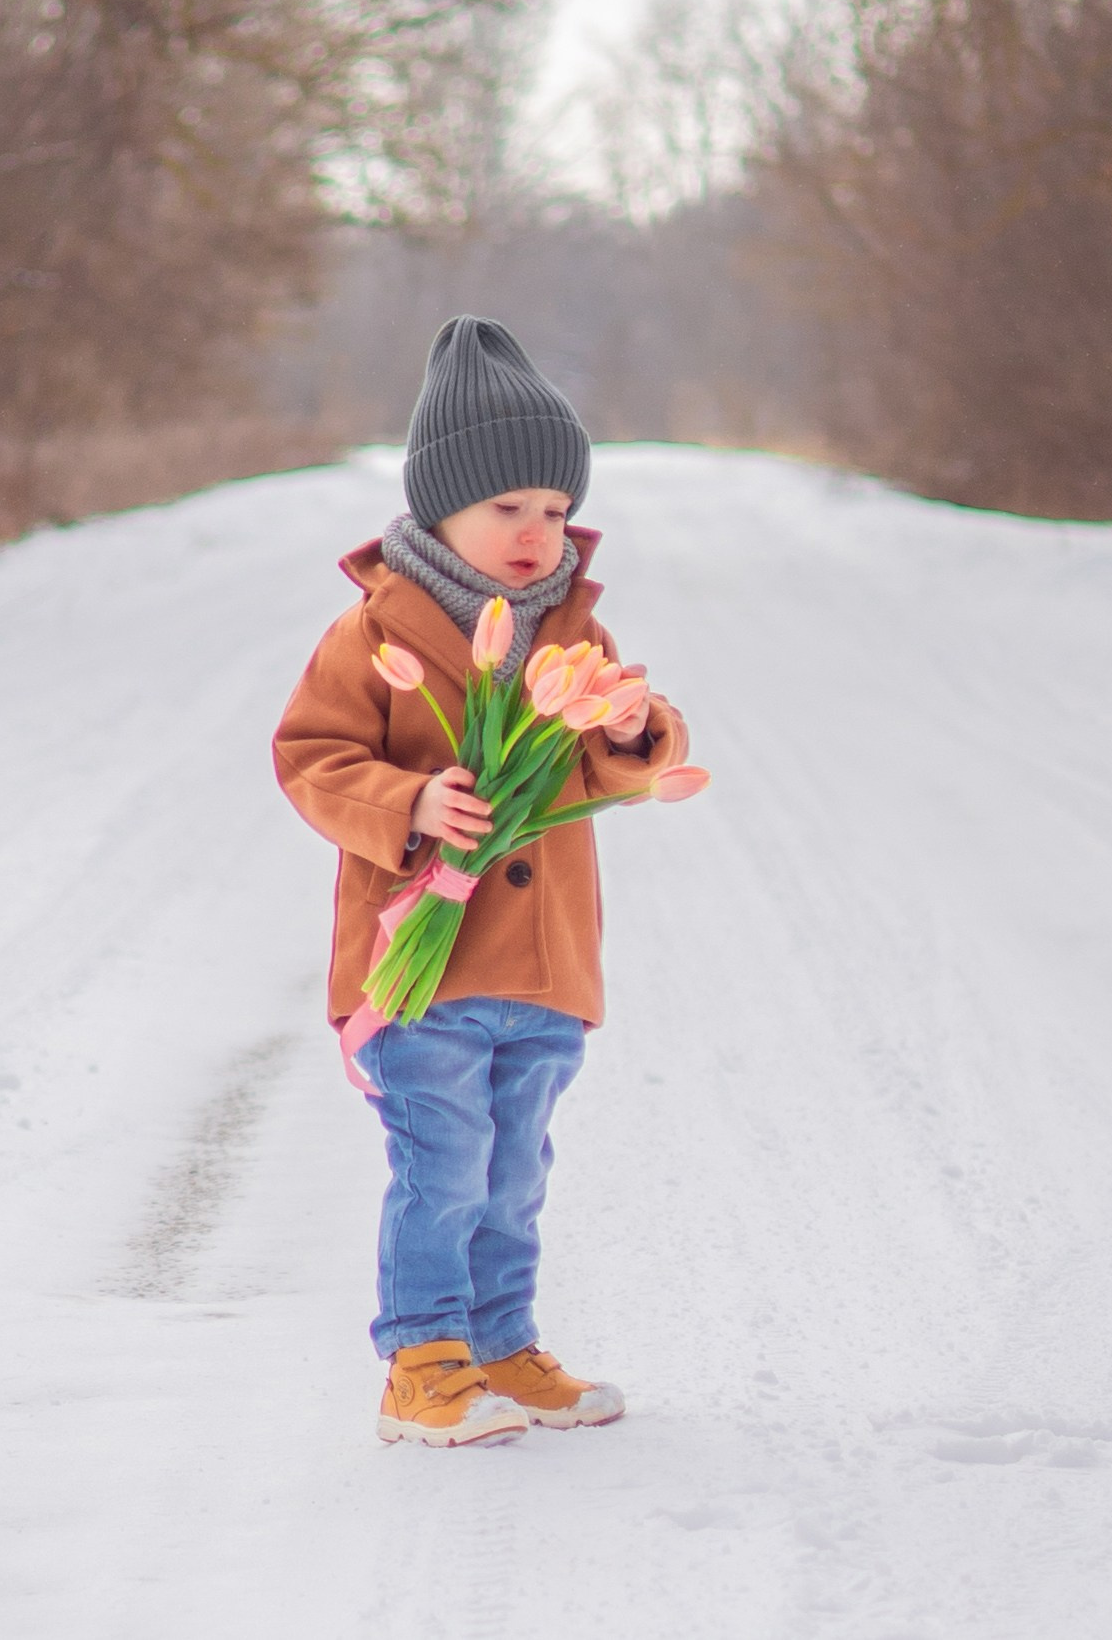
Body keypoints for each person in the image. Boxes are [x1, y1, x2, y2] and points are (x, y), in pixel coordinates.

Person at [274, 316, 689, 1447]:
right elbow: (309, 756)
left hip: (543, 968)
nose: (535, 531)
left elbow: (613, 751)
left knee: (513, 1177)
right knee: (444, 1168)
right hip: (425, 968)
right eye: (507, 507)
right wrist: (404, 803)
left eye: (553, 510)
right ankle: (422, 1363)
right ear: (440, 506)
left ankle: (503, 1343)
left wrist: (640, 730)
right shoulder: (374, 633)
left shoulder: (571, 634)